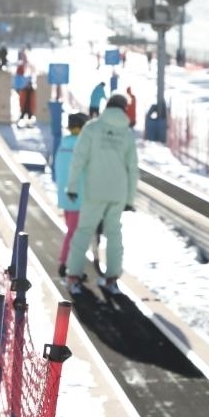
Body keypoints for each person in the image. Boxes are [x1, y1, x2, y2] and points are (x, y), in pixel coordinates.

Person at [64, 93, 138, 295]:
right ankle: (112, 278)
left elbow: (79, 159)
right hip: (118, 192)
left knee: (84, 231)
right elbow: (133, 168)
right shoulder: (126, 133)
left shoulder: (92, 128)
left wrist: (72, 186)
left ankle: (73, 276)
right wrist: (130, 199)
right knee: (114, 233)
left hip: (95, 190)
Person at [54, 112, 89, 278]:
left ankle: (69, 264)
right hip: (79, 197)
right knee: (75, 234)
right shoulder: (83, 146)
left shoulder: (63, 144)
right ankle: (67, 265)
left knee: (72, 231)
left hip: (65, 197)